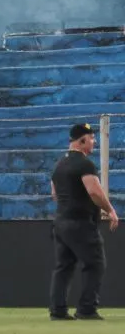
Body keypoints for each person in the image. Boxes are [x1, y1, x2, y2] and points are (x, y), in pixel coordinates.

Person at [49, 123, 119, 321]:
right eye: (91, 138)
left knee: (64, 266)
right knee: (95, 263)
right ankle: (87, 309)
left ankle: (58, 310)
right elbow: (94, 192)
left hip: (61, 222)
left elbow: (55, 194)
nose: (94, 142)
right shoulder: (85, 164)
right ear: (82, 140)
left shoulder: (59, 164)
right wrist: (110, 210)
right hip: (80, 223)